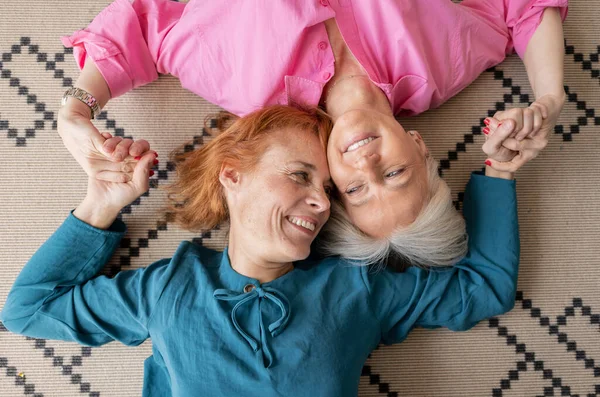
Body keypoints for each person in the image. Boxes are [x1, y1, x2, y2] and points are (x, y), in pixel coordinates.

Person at [2, 105, 522, 396]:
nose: (320, 202)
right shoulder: (168, 288)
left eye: (330, 190)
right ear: (233, 175)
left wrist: (499, 170)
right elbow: (27, 309)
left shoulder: (355, 287)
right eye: (299, 176)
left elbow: (484, 289)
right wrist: (101, 204)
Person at [57, 0, 567, 267]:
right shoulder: (441, 67)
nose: (366, 164)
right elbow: (518, 8)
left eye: (356, 188)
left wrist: (73, 114)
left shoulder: (245, 83)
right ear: (418, 145)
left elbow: (141, 30)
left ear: (328, 186)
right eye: (394, 172)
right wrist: (549, 98)